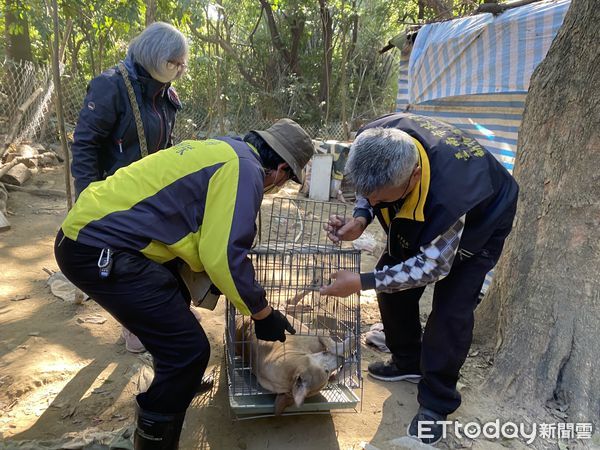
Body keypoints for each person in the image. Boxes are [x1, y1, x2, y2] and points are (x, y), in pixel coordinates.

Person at [54, 119, 314, 449]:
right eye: (286, 180)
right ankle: (154, 439)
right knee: (188, 351)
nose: (278, 186)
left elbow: (205, 235)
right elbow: (223, 257)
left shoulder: (226, 149)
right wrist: (264, 314)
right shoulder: (245, 170)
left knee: (175, 300)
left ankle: (178, 381)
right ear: (279, 169)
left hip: (96, 235)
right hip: (95, 247)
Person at [320, 112, 518, 445]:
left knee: (451, 309)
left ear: (413, 176)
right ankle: (408, 360)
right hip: (430, 205)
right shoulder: (373, 138)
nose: (376, 201)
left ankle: (437, 402)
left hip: (485, 215)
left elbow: (431, 267)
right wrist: (362, 216)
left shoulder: (453, 197)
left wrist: (361, 282)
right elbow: (369, 190)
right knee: (391, 286)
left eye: (382, 198)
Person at [70, 21, 188, 352]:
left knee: (155, 254)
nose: (180, 71)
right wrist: (86, 197)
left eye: (182, 65)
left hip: (152, 193)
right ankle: (133, 324)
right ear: (154, 55)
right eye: (174, 63)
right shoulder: (110, 86)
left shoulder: (167, 93)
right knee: (123, 256)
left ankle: (150, 316)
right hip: (114, 192)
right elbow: (85, 145)